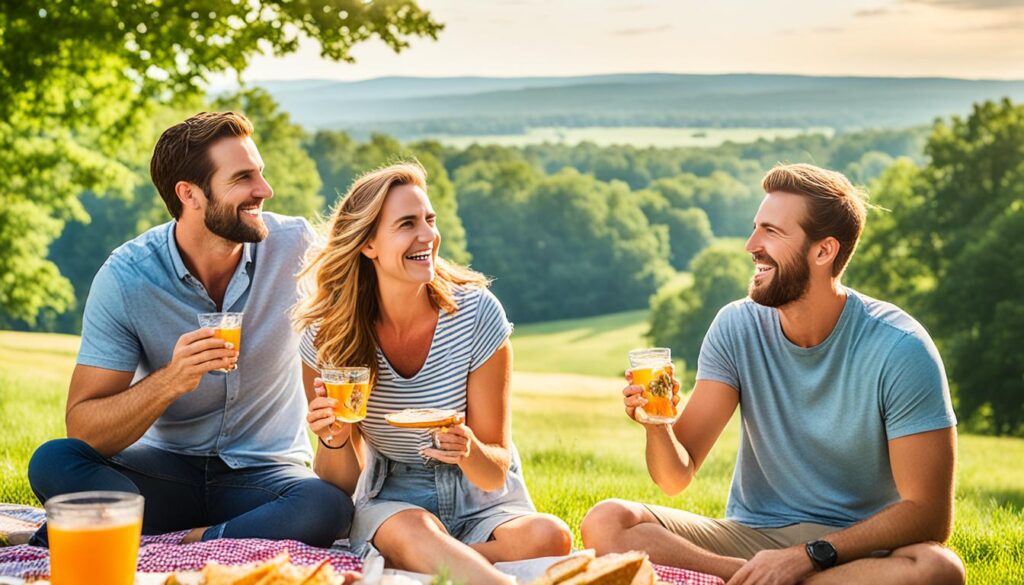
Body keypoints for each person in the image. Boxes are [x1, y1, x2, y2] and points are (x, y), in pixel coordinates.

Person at [581, 163, 965, 585]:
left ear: (823, 251)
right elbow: (675, 477)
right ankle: (756, 579)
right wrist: (657, 425)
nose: (751, 245)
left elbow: (929, 515)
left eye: (771, 232)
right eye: (755, 228)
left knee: (937, 569)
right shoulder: (737, 326)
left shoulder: (900, 348)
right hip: (753, 537)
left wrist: (810, 556)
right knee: (608, 523)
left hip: (855, 548)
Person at [27, 112, 352, 547]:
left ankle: (176, 539)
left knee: (325, 505)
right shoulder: (128, 278)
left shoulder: (298, 248)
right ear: (189, 194)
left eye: (261, 173)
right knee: (54, 458)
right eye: (243, 177)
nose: (264, 190)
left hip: (263, 477)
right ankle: (143, 523)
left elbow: (374, 268)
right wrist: (171, 380)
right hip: (163, 470)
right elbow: (84, 428)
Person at [293, 162, 572, 585]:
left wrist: (467, 448)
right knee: (412, 532)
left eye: (429, 220)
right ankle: (461, 569)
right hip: (394, 495)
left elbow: (495, 469)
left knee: (551, 536)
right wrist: (332, 439)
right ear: (368, 244)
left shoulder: (477, 314)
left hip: (480, 496)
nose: (428, 236)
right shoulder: (327, 335)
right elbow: (341, 482)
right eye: (407, 224)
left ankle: (416, 566)